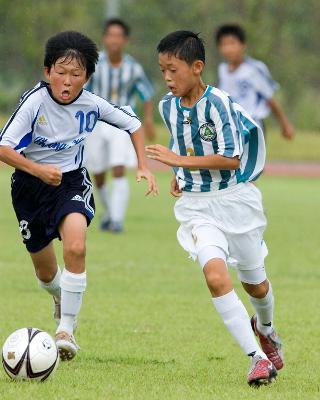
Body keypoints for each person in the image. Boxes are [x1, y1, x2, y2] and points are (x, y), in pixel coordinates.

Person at [0, 30, 158, 361]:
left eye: (76, 74)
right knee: (45, 274)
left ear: (87, 77)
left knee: (76, 246)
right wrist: (38, 170)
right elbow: (3, 147)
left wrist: (142, 165)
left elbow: (133, 124)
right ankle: (59, 297)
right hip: (29, 188)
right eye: (61, 72)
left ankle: (66, 330)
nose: (68, 81)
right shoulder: (34, 102)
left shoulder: (92, 103)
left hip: (71, 182)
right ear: (47, 72)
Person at [147, 30, 283, 386]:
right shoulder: (166, 106)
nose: (168, 79)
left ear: (197, 67)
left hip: (236, 200)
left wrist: (178, 161)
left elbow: (230, 159)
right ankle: (256, 358)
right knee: (215, 276)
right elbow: (183, 144)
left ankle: (265, 328)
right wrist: (179, 172)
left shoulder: (219, 102)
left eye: (173, 70)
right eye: (163, 71)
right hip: (196, 207)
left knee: (255, 285)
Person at [85, 18, 156, 232]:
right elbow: (84, 89)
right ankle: (108, 213)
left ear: (125, 40)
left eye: (118, 36)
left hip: (122, 120)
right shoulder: (95, 63)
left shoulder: (133, 67)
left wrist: (149, 119)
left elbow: (146, 93)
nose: (114, 40)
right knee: (97, 172)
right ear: (105, 38)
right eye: (110, 35)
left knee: (118, 167)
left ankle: (117, 220)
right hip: (96, 121)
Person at [215, 24, 294, 139]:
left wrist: (285, 124)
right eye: (224, 44)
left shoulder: (254, 69)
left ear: (242, 45)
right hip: (230, 127)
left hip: (252, 126)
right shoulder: (222, 70)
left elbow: (270, 99)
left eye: (232, 43)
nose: (228, 49)